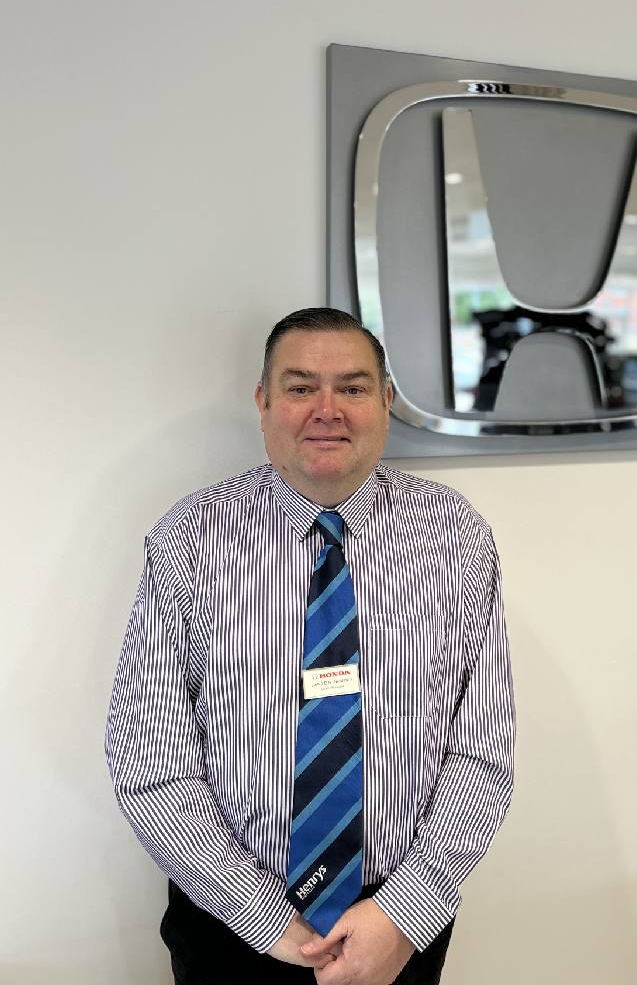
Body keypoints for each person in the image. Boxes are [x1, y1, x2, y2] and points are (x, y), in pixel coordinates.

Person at [106, 307, 515, 985]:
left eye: (352, 387)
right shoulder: (189, 540)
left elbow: (483, 752)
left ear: (385, 401)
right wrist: (264, 919)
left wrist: (404, 913)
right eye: (300, 388)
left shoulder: (455, 537)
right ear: (263, 402)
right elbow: (148, 760)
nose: (328, 410)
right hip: (227, 923)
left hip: (395, 924)